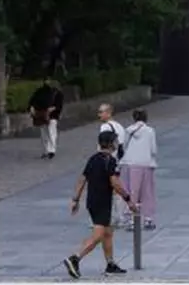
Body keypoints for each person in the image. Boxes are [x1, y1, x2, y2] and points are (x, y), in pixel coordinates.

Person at [63, 131, 135, 279]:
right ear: (110, 144)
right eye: (115, 141)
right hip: (103, 202)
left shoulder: (93, 159)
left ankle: (110, 264)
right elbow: (115, 183)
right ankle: (75, 259)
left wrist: (76, 199)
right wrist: (128, 199)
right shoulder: (110, 161)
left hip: (92, 201)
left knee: (108, 233)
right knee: (98, 235)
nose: (117, 144)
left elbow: (82, 179)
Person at [120, 109, 157, 230]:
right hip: (146, 163)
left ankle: (130, 219)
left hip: (130, 163)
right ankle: (148, 219)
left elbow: (124, 146)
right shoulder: (150, 131)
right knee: (147, 191)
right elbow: (153, 150)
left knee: (131, 191)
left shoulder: (128, 130)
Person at [97, 104, 127, 225]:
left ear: (109, 113)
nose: (99, 115)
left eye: (101, 112)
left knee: (105, 189)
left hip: (107, 160)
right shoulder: (119, 126)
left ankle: (108, 217)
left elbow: (102, 145)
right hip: (118, 161)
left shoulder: (105, 127)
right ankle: (120, 216)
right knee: (117, 188)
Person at [28, 79, 65, 159]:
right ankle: (46, 150)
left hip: (52, 115)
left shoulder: (57, 93)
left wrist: (53, 108)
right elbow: (32, 101)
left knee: (51, 132)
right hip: (42, 115)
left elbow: (59, 105)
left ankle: (51, 150)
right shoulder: (40, 91)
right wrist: (32, 107)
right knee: (44, 133)